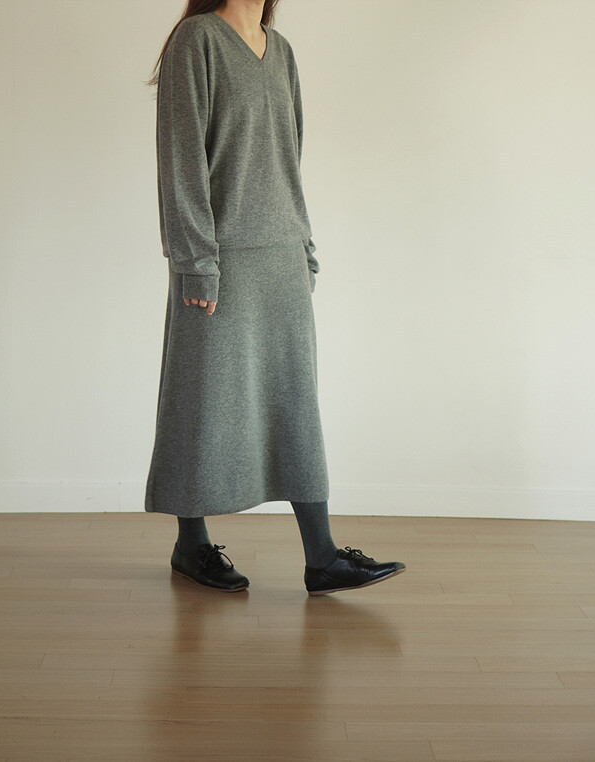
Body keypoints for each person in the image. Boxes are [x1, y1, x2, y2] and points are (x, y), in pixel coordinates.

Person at [144, 0, 406, 595]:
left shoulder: (280, 51)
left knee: (295, 401)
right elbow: (181, 160)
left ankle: (323, 557)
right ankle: (191, 543)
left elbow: (289, 156)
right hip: (220, 257)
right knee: (202, 399)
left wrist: (303, 243)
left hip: (282, 255)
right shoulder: (196, 41)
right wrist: (196, 262)